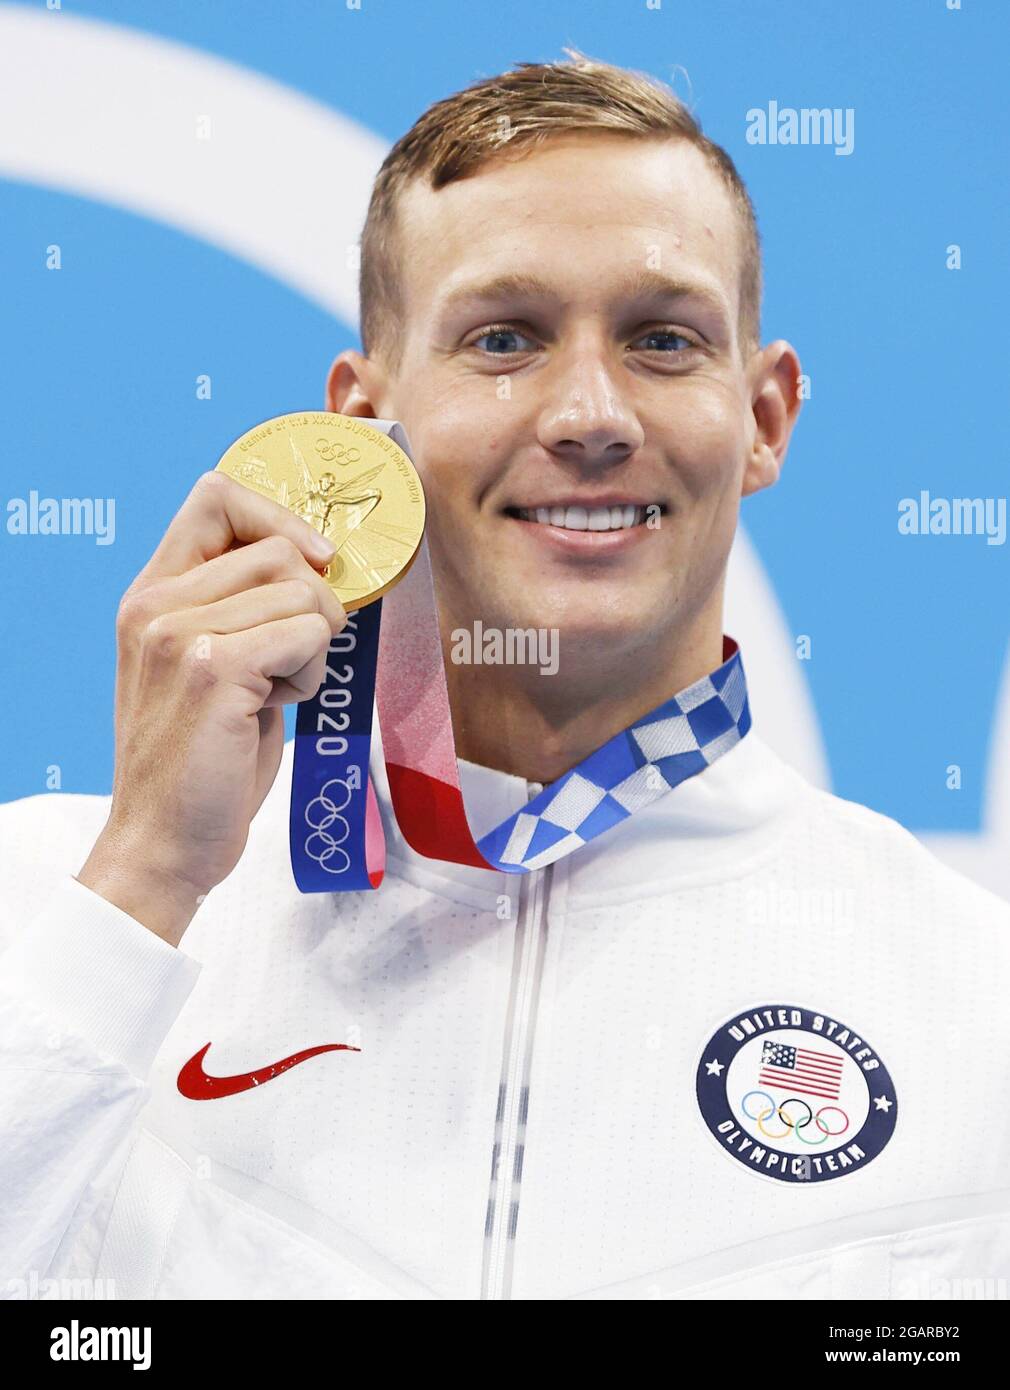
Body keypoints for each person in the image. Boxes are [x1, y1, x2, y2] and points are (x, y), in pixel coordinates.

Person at [2, 52, 1009, 1303]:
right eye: (501, 338)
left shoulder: (975, 995)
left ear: (763, 418)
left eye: (660, 339)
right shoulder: (51, 902)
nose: (589, 412)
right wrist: (145, 878)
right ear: (363, 424)